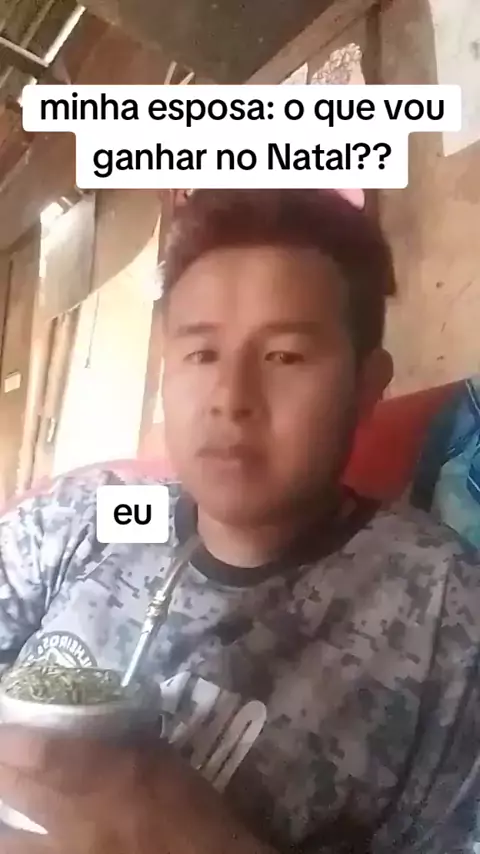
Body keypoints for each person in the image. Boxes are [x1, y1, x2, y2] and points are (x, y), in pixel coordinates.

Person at [0, 189, 479, 854]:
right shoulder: (90, 517)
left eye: (284, 356)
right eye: (201, 355)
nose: (230, 400)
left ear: (367, 386)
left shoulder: (448, 618)